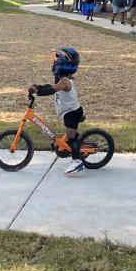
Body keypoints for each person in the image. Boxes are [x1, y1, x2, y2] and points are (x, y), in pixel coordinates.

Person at [29, 47, 88, 175]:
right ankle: (76, 146)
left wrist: (39, 92)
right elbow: (49, 86)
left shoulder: (65, 82)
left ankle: (77, 162)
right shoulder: (62, 80)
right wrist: (37, 87)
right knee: (69, 137)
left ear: (61, 65)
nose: (53, 65)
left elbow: (52, 89)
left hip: (72, 113)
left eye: (55, 63)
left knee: (71, 137)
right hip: (68, 112)